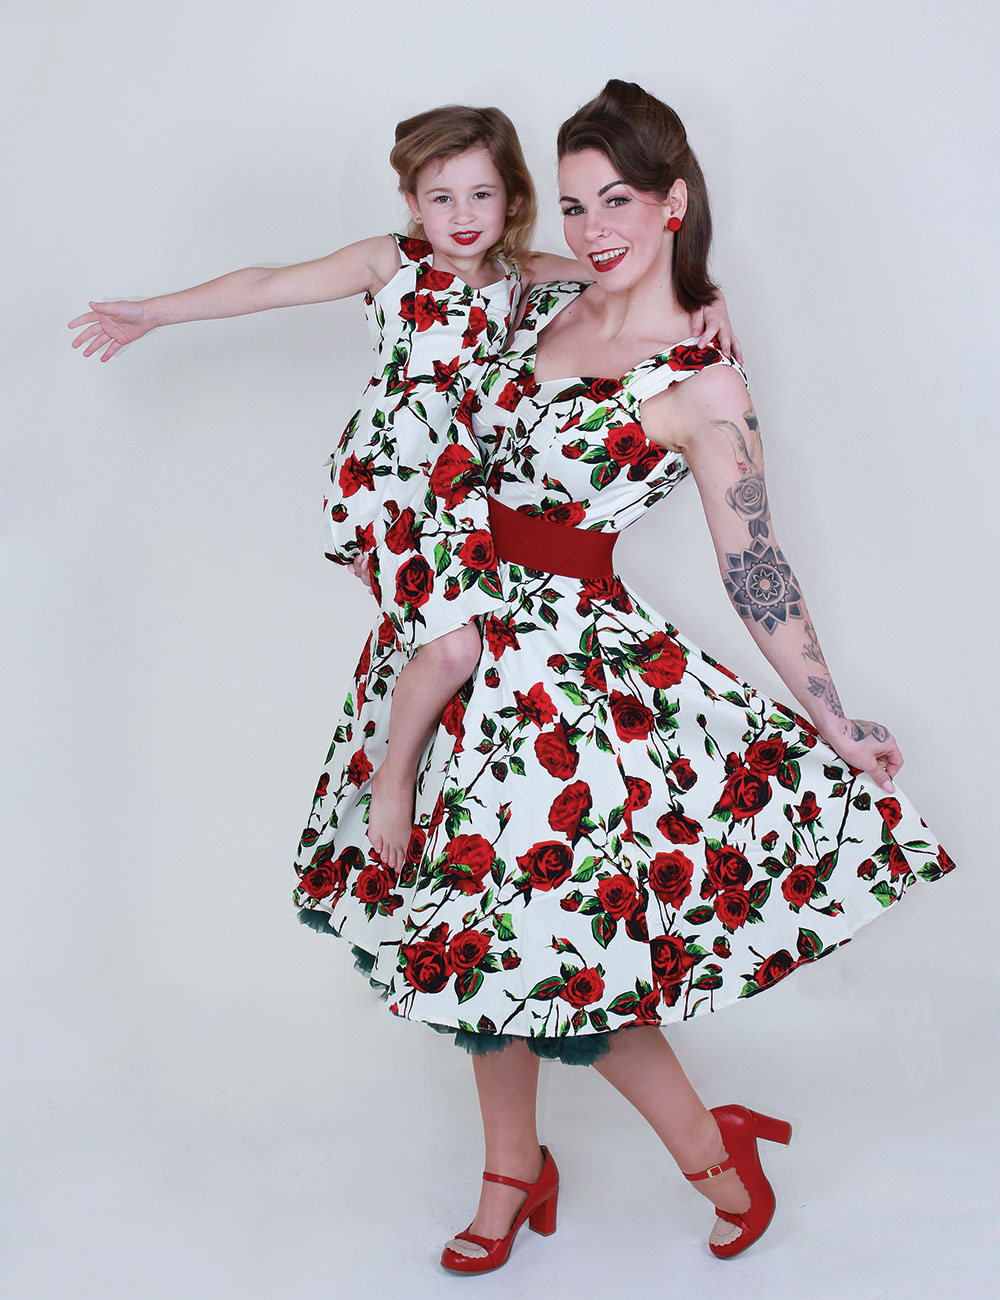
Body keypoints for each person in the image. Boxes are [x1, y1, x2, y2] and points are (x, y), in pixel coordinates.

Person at [295, 80, 955, 1275]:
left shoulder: (702, 381)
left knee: (560, 947)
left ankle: (715, 1156)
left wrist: (833, 715)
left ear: (672, 202)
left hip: (561, 697)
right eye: (578, 199)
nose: (594, 226)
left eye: (620, 200)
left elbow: (756, 561)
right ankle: (512, 1173)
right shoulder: (536, 303)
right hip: (451, 649)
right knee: (464, 939)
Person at [68, 104, 736, 876]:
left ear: (513, 201)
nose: (460, 216)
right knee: (455, 646)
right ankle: (393, 783)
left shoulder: (520, 277)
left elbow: (616, 265)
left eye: (481, 196)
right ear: (413, 206)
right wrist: (154, 313)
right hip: (386, 476)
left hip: (456, 488)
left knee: (483, 646)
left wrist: (705, 296)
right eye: (440, 197)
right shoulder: (394, 264)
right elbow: (268, 284)